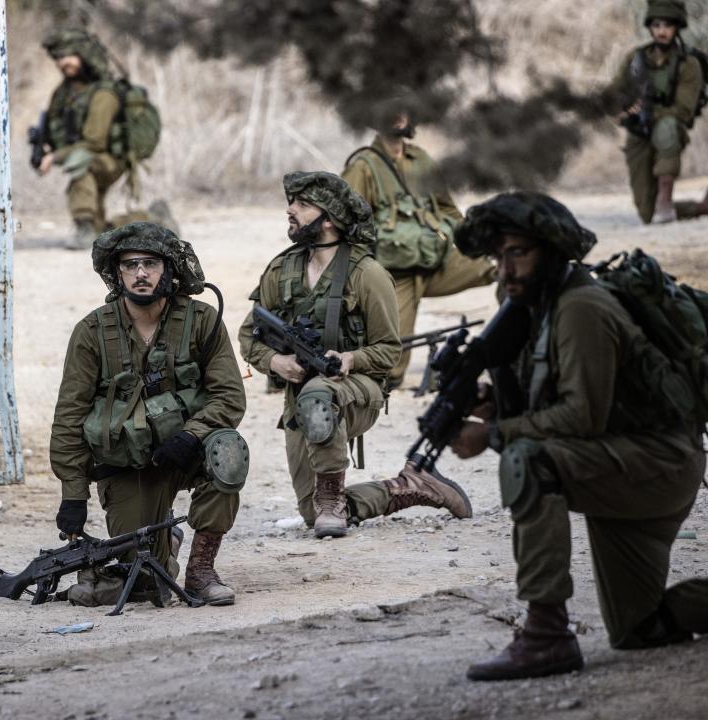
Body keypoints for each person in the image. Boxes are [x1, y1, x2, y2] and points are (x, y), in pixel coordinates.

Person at [449, 191, 708, 681]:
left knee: (529, 459)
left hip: (657, 465)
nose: (505, 269)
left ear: (550, 252)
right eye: (498, 256)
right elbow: (554, 395)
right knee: (641, 628)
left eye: (518, 253)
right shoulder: (536, 307)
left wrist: (493, 434)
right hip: (623, 462)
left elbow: (580, 417)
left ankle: (547, 635)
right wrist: (493, 400)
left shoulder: (580, 308)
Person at [238, 172, 472, 540]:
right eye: (291, 202)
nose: (290, 210)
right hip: (300, 400)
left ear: (328, 218)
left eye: (302, 204)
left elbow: (389, 351)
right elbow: (249, 335)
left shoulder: (367, 274)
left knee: (320, 394)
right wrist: (274, 362)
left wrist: (350, 359)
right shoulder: (281, 271)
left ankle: (331, 497)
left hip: (356, 390)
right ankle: (412, 485)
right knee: (313, 516)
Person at [50, 222, 247, 606]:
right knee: (144, 585)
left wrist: (191, 435)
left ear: (169, 269)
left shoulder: (202, 320)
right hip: (127, 464)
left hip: (187, 454)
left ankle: (201, 572)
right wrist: (73, 494)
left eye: (151, 263)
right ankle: (165, 541)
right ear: (116, 273)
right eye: (129, 265)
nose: (140, 273)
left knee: (229, 451)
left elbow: (229, 396)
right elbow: (69, 415)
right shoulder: (91, 332)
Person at [342, 113, 496, 389]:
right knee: (389, 369)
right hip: (396, 274)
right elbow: (349, 225)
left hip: (436, 260)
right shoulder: (363, 167)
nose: (401, 117)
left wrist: (469, 240)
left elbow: (447, 208)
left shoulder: (421, 160)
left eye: (406, 110)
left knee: (501, 266)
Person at [610, 0, 705, 224]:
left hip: (668, 126)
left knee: (667, 127)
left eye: (667, 26)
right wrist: (622, 109)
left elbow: (683, 110)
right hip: (639, 130)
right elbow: (615, 92)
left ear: (677, 28)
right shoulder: (635, 59)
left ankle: (665, 199)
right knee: (646, 213)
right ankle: (698, 207)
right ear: (650, 28)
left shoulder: (688, 63)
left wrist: (649, 113)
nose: (661, 31)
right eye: (656, 25)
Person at [36, 29, 126, 249]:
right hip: (87, 155)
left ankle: (83, 228)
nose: (62, 62)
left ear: (84, 56)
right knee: (104, 231)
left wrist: (55, 157)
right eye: (58, 58)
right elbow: (54, 126)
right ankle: (156, 219)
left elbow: (94, 142)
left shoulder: (103, 93)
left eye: (68, 56)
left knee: (80, 164)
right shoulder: (64, 93)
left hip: (109, 159)